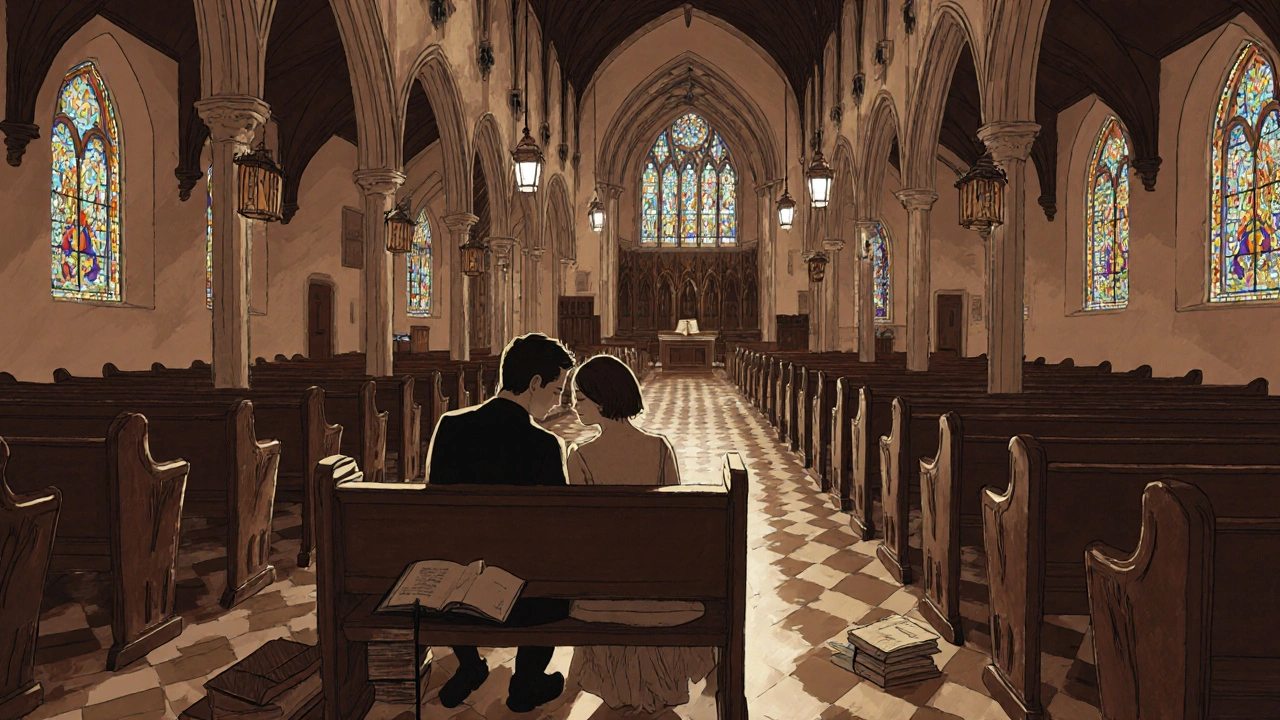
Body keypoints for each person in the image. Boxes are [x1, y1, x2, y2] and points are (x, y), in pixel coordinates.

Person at [425, 333, 576, 713]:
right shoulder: (543, 445)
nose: (560, 400)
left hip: (456, 595)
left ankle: (470, 664)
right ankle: (526, 680)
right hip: (527, 602)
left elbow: (435, 517)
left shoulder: (449, 426)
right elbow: (558, 529)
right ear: (535, 383)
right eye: (557, 390)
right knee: (550, 572)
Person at [564, 355, 718, 712]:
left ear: (603, 400)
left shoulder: (579, 457)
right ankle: (651, 685)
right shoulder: (660, 447)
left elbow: (584, 532)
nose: (573, 406)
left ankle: (623, 687)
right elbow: (677, 523)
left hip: (604, 592)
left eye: (580, 399)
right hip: (660, 584)